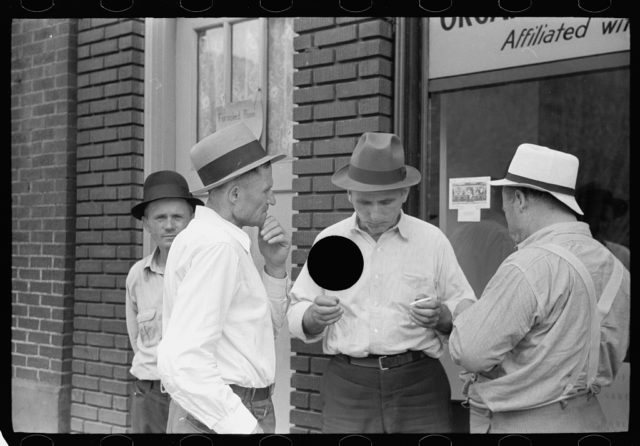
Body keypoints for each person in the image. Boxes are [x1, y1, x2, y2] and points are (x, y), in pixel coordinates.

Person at [287, 132, 477, 433]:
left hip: (419, 386)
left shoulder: (431, 241)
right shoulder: (330, 241)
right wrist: (312, 316)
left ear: (404, 193)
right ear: (349, 195)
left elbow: (468, 313)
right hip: (347, 386)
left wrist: (443, 316)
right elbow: (296, 310)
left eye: (386, 202)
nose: (375, 214)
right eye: (364, 202)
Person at [449, 143, 630, 433]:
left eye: (505, 204)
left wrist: (464, 311)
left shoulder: (529, 265)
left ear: (520, 199)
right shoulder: (616, 267)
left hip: (524, 422)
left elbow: (471, 351)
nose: (505, 214)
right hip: (590, 417)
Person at [157, 121, 291, 434]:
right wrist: (243, 426)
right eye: (266, 191)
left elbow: (256, 335)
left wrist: (274, 268)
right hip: (223, 413)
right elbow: (182, 360)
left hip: (219, 409)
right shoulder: (218, 247)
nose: (272, 200)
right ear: (233, 194)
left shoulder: (212, 240)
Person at [125, 170, 203, 433]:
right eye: (160, 217)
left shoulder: (205, 270)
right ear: (146, 224)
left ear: (191, 220)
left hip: (195, 394)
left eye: (177, 216)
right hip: (149, 393)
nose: (169, 225)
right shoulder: (138, 275)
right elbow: (136, 339)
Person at [575, 182, 630, 270]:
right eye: (601, 218)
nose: (605, 226)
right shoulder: (569, 252)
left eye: (609, 221)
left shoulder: (622, 255)